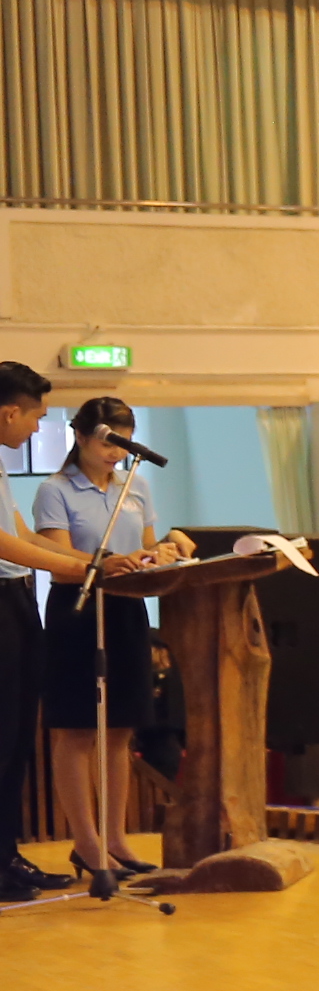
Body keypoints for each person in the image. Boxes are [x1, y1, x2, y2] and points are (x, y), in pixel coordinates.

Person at [35, 395, 190, 886]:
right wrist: (106, 563)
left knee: (121, 728)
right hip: (78, 608)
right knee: (77, 730)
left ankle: (117, 838)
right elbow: (60, 560)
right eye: (107, 441)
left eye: (124, 442)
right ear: (81, 436)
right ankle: (86, 841)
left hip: (126, 607)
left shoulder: (135, 485)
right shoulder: (54, 490)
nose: (115, 453)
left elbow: (144, 548)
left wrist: (164, 550)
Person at [0, 361, 103, 904]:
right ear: (9, 412)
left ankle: (7, 856)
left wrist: (88, 561)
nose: (38, 427)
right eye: (36, 416)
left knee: (19, 735)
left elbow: (18, 530)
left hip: (16, 598)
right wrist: (75, 569)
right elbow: (3, 543)